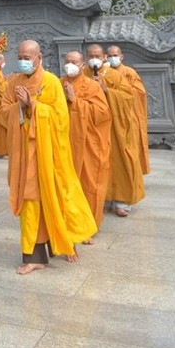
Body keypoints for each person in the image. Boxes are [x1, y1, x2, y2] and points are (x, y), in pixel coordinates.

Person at [1, 40, 97, 274]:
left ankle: (66, 239)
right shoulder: (13, 82)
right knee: (30, 200)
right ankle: (35, 256)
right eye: (20, 56)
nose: (24, 61)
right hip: (25, 154)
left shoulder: (51, 82)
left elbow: (61, 119)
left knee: (58, 196)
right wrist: (21, 108)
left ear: (39, 57)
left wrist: (32, 104)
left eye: (28, 57)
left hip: (49, 154)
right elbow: (3, 112)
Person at [85, 44, 144, 218]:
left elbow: (128, 96)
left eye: (97, 55)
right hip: (94, 126)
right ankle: (104, 198)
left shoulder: (114, 75)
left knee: (121, 160)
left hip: (116, 125)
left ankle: (122, 201)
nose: (94, 59)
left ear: (103, 57)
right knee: (98, 162)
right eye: (90, 56)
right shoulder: (83, 75)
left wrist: (106, 90)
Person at [61, 50, 112, 235]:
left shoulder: (91, 86)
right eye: (67, 61)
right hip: (64, 143)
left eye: (74, 61)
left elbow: (103, 113)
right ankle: (68, 225)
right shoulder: (59, 83)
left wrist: (75, 101)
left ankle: (90, 226)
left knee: (89, 185)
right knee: (65, 185)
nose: (70, 65)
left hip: (87, 144)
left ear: (82, 65)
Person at [106, 44, 150, 176]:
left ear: (121, 56)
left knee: (131, 146)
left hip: (129, 115)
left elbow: (139, 93)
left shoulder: (129, 72)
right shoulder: (104, 72)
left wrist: (118, 92)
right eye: (110, 56)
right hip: (111, 115)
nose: (113, 58)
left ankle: (133, 173)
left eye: (115, 55)